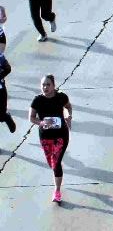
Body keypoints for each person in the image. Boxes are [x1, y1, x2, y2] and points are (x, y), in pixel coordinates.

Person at [29, 74, 73, 204]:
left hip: (61, 135)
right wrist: (41, 123)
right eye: (43, 84)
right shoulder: (37, 100)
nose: (45, 87)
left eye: (48, 84)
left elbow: (68, 106)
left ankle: (57, 191)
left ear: (54, 86)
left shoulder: (61, 97)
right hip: (45, 136)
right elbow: (31, 117)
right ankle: (57, 169)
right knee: (52, 163)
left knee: (56, 163)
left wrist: (69, 116)